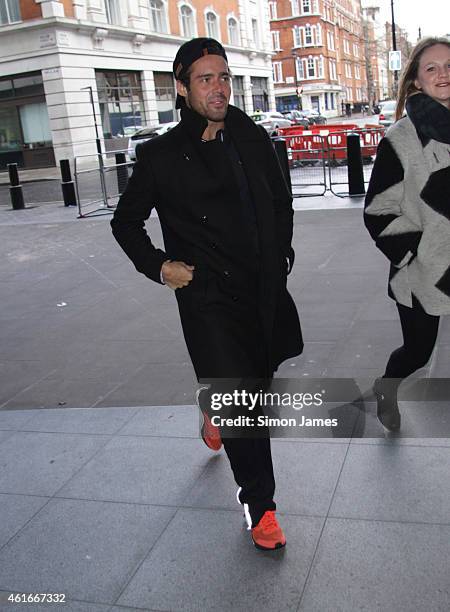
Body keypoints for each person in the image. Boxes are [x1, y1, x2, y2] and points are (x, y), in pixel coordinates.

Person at [111, 38, 303, 549]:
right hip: (207, 298)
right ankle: (260, 505)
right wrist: (158, 266)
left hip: (261, 287)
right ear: (181, 87)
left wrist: (281, 250)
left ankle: (214, 408)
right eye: (205, 79)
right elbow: (125, 222)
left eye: (223, 77)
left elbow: (279, 200)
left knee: (254, 385)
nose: (218, 88)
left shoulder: (253, 138)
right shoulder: (160, 156)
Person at [364, 37, 450, 431]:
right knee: (417, 352)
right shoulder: (401, 137)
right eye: (431, 68)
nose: (443, 74)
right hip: (422, 270)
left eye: (449, 65)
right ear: (415, 80)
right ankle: (387, 387)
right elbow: (378, 211)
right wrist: (416, 250)